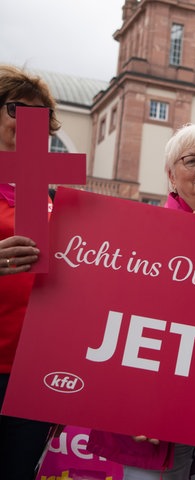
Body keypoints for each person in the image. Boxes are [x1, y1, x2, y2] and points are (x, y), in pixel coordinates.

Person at [88, 123, 195, 480]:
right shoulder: (145, 231)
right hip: (154, 409)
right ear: (170, 175)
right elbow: (122, 319)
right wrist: (135, 406)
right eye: (191, 159)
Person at [0, 64, 60, 479]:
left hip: (31, 374)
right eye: (16, 110)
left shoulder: (46, 194)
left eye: (40, 117)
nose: (28, 124)